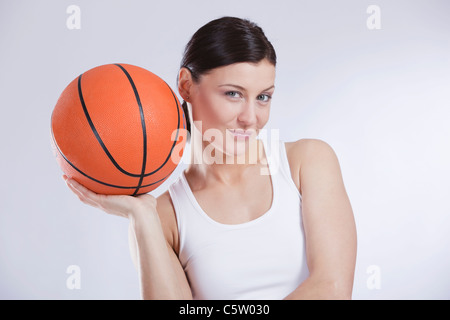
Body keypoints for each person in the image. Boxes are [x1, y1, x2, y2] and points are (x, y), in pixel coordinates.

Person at [64, 16, 357, 300]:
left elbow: (331, 290)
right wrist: (141, 215)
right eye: (233, 93)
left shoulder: (307, 162)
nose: (250, 118)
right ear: (186, 86)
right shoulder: (163, 216)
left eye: (263, 97)